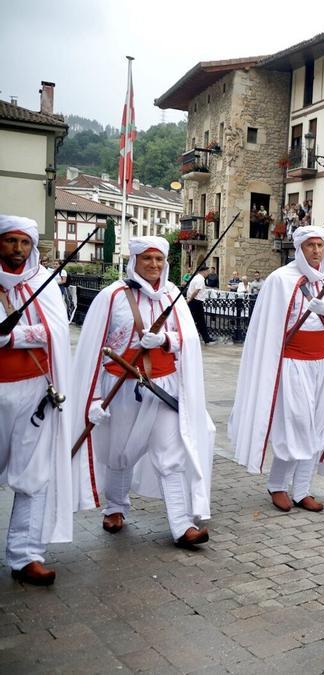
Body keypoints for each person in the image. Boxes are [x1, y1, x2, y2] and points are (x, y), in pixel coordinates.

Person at [72, 236, 214, 549]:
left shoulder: (172, 295)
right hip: (121, 386)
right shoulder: (112, 296)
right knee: (120, 453)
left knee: (170, 454)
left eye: (159, 259)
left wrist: (165, 340)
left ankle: (181, 525)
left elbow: (188, 341)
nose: (153, 265)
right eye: (147, 259)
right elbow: (95, 348)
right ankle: (115, 507)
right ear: (134, 260)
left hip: (163, 388)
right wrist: (94, 396)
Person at [229, 226, 324, 512]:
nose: (316, 251)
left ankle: (302, 490)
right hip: (293, 362)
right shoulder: (280, 280)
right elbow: (269, 328)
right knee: (297, 423)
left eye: (320, 245)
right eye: (310, 245)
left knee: (318, 424)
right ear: (299, 249)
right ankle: (277, 485)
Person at [0, 216, 75, 585]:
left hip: (33, 390)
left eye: (24, 242)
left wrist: (13, 337)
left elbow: (53, 333)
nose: (17, 249)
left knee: (34, 473)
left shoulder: (42, 286)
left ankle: (25, 555)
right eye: (10, 241)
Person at [186, 266, 215, 344]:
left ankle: (206, 338)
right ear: (204, 271)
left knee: (199, 321)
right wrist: (189, 300)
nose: (208, 273)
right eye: (207, 272)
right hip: (196, 302)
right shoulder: (200, 279)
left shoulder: (196, 277)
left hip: (195, 301)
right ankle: (203, 337)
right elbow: (196, 291)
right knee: (194, 320)